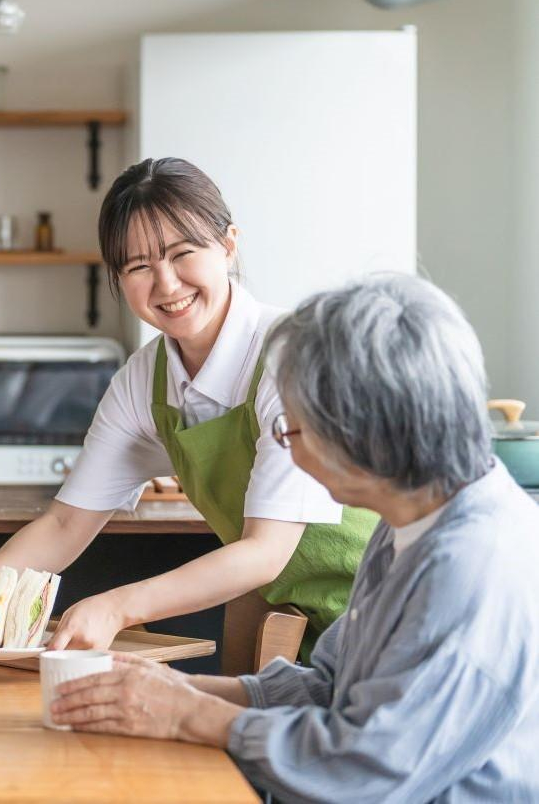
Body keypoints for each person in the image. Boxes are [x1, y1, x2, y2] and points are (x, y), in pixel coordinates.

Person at [50, 274, 539, 802]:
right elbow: (330, 686)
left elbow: (367, 772)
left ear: (368, 427)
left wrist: (189, 714)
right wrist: (178, 690)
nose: (291, 451)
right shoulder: (406, 526)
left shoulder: (473, 564)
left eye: (294, 430)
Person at [0, 158, 376, 657]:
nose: (166, 285)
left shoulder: (293, 356)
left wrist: (117, 608)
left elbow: (264, 552)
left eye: (183, 253)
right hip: (319, 634)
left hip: (392, 614)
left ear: (228, 245)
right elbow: (65, 525)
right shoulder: (143, 380)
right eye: (139, 266)